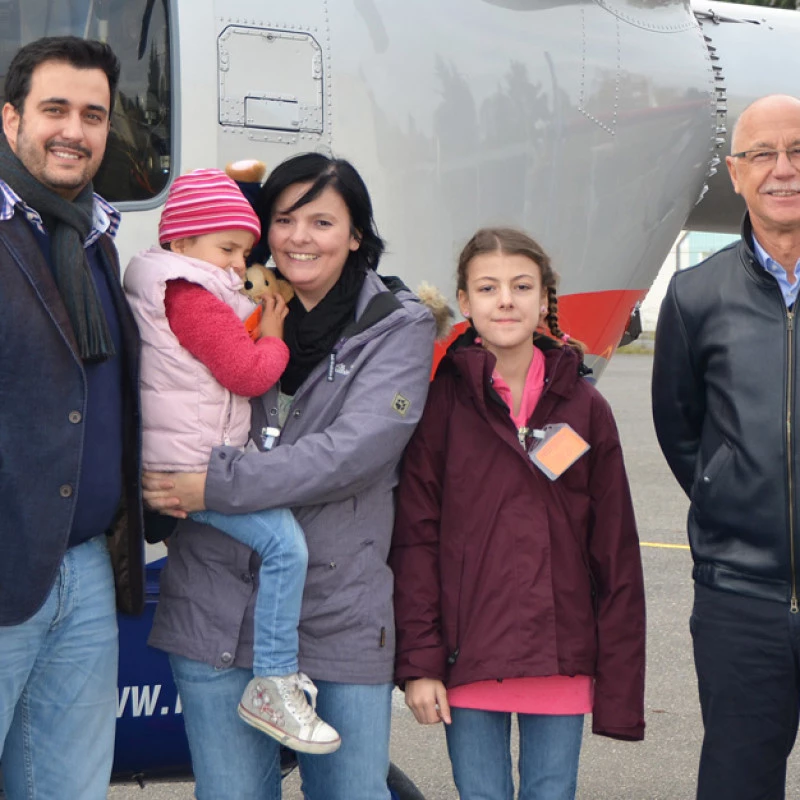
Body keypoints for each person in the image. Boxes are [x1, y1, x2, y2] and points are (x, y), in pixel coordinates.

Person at [142, 152, 437, 800]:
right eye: (284, 220)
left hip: (339, 613)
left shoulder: (399, 327)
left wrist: (214, 486)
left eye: (323, 222)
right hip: (217, 607)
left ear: (356, 234)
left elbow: (352, 453)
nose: (300, 237)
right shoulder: (223, 305)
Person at [391, 227, 646, 800]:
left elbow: (616, 551)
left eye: (521, 286)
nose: (505, 300)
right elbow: (415, 544)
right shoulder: (440, 406)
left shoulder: (586, 407)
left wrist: (620, 679)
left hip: (561, 659)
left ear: (543, 298)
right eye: (488, 287)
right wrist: (421, 664)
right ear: (465, 302)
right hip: (468, 659)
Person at [123, 167, 340, 754]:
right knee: (285, 546)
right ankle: (273, 678)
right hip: (187, 468)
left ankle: (271, 672)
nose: (235, 265)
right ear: (182, 242)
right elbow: (246, 374)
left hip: (176, 457)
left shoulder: (167, 285)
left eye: (243, 252)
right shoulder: (190, 294)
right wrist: (272, 334)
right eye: (226, 248)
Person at [0, 36, 144, 799]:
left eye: (94, 115)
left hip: (86, 570)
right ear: (10, 117)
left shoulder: (94, 240)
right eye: (54, 108)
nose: (74, 131)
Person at [652, 94, 800, 800]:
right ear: (736, 174)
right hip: (739, 599)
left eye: (798, 152)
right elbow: (681, 429)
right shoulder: (692, 296)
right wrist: (726, 487)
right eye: (762, 155)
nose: (783, 171)